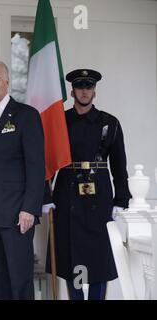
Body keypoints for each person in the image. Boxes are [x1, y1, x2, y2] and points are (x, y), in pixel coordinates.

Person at [46, 69, 131, 300]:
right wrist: (45, 196)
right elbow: (48, 161)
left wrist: (121, 200)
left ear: (94, 91)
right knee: (71, 260)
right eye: (80, 86)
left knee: (98, 263)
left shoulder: (109, 122)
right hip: (66, 195)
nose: (85, 91)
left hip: (99, 198)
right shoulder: (60, 121)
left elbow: (119, 165)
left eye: (89, 86)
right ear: (72, 91)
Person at [0, 60, 45, 300]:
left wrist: (29, 209)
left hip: (17, 214)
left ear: (6, 81)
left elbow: (36, 166)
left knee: (19, 281)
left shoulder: (27, 115)